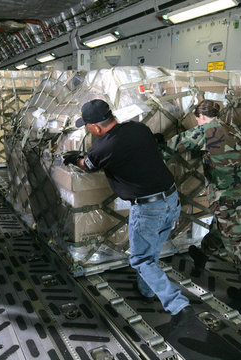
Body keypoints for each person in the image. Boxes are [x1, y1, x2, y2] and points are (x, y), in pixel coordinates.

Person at [63, 99, 197, 329]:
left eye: (87, 126)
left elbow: (89, 165)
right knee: (151, 250)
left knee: (141, 259)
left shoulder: (103, 147)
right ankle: (146, 290)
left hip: (148, 209)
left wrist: (75, 158)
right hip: (171, 199)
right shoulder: (139, 129)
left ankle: (178, 305)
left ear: (95, 127)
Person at [167, 99, 241, 309]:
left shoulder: (204, 131)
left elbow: (172, 146)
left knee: (238, 243)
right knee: (222, 228)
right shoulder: (233, 128)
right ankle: (202, 256)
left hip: (228, 197)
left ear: (199, 117)